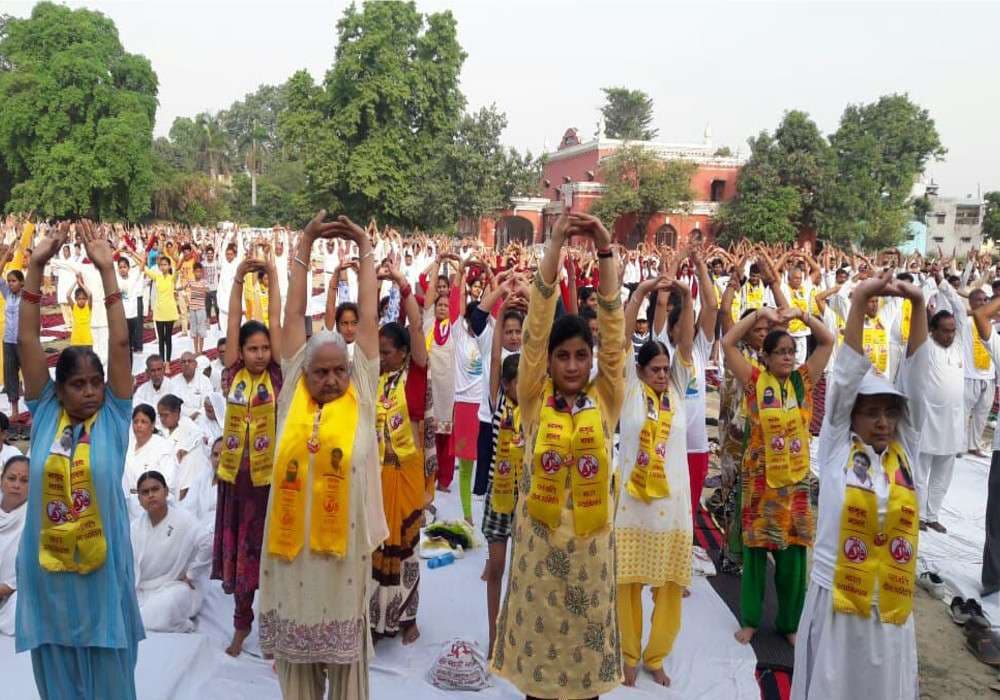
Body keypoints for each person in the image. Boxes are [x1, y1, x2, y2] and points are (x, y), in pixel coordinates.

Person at [492, 212, 626, 699]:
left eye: (580, 356)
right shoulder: (533, 398)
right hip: (538, 564)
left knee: (585, 689)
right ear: (548, 362)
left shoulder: (606, 399)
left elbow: (614, 333)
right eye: (562, 356)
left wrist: (605, 251)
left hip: (590, 564)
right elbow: (535, 328)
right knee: (538, 689)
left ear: (591, 361)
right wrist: (553, 246)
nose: (572, 365)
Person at [259, 211, 388, 700]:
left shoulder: (363, 393)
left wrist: (365, 250)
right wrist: (306, 241)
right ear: (304, 372)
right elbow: (293, 319)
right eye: (322, 372)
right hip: (292, 567)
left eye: (339, 370)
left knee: (348, 678)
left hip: (342, 567)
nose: (332, 379)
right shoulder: (293, 394)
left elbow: (371, 320)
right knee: (298, 679)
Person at [16, 220, 143, 699]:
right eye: (78, 384)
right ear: (59, 388)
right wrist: (34, 266)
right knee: (59, 681)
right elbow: (29, 343)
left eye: (95, 382)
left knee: (110, 681)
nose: (90, 391)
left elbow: (120, 344)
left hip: (101, 573)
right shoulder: (46, 412)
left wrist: (107, 272)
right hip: (48, 575)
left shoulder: (113, 415)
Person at [792, 270, 927, 699]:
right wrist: (857, 303)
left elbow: (918, 382)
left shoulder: (906, 457)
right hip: (838, 605)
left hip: (888, 605)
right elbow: (847, 376)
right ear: (852, 416)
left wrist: (919, 305)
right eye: (872, 412)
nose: (883, 422)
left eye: (890, 412)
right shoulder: (836, 449)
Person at [722, 301, 834, 646]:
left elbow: (828, 341)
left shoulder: (803, 382)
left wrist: (802, 316)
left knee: (793, 559)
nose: (787, 357)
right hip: (760, 484)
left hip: (795, 485)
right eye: (780, 352)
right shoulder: (755, 381)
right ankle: (751, 620)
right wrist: (759, 316)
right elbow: (727, 344)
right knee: (756, 555)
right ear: (765, 357)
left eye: (791, 351)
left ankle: (789, 623)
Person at [616, 273, 694, 688]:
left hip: (673, 508)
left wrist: (685, 293)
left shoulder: (679, 391)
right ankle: (628, 654)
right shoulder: (629, 389)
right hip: (633, 507)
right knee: (627, 583)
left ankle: (656, 656)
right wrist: (642, 293)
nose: (663, 374)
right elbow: (622, 341)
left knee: (669, 587)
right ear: (641, 370)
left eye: (666, 369)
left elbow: (686, 342)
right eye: (656, 369)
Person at [214, 255, 283, 657]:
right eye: (251, 348)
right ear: (240, 351)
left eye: (263, 348)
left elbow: (274, 319)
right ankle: (242, 624)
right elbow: (231, 320)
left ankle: (273, 630)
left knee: (270, 558)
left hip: (269, 483)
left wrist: (273, 277)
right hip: (236, 482)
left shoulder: (277, 375)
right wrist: (238, 279)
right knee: (242, 559)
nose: (258, 354)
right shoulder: (231, 374)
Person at [371, 260, 429, 644]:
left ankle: (406, 618)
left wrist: (402, 285)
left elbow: (418, 328)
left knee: (405, 547)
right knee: (376, 546)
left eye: (388, 351)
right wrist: (371, 284)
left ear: (405, 352)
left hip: (407, 474)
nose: (382, 356)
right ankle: (376, 620)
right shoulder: (371, 377)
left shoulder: (416, 375)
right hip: (375, 474)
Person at [130, 470, 210, 632]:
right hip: (142, 590)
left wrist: (191, 574)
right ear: (139, 500)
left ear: (166, 492)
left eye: (155, 489)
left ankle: (177, 623)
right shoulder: (135, 526)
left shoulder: (184, 519)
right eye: (145, 492)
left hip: (174, 588)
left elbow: (208, 544)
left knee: (169, 603)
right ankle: (152, 618)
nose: (151, 495)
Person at [913, 308, 964, 533]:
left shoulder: (959, 348)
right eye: (945, 331)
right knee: (921, 472)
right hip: (929, 421)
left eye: (953, 331)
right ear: (932, 330)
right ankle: (919, 515)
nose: (950, 335)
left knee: (943, 475)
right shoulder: (926, 349)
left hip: (953, 423)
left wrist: (944, 284)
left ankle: (933, 515)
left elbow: (961, 312)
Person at [123, 404, 178, 522]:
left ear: (152, 425)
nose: (139, 426)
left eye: (144, 422)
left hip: (152, 504)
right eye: (136, 421)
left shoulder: (163, 447)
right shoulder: (127, 445)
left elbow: (169, 482)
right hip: (128, 506)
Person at [156, 394, 209, 502]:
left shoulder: (189, 428)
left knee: (193, 456)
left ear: (176, 413)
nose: (162, 419)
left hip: (183, 483)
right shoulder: (161, 428)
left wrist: (186, 448)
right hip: (163, 477)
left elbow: (199, 435)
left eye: (165, 415)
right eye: (160, 415)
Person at [0, 455, 28, 636]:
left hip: (13, 595)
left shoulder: (35, 519)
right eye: (11, 478)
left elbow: (28, 572)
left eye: (24, 480)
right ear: (2, 480)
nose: (16, 485)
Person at [138, 251, 179, 362]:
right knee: (161, 339)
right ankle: (161, 360)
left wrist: (177, 259)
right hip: (159, 312)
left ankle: (168, 362)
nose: (163, 266)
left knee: (168, 338)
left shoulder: (172, 277)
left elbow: (179, 265)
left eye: (165, 264)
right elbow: (144, 267)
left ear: (169, 266)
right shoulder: (156, 276)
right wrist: (133, 254)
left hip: (170, 312)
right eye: (161, 265)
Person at [0, 250, 24, 419]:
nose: (10, 284)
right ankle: (14, 410)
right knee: (10, 376)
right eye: (8, 281)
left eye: (14, 281)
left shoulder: (28, 296)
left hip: (25, 342)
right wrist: (7, 254)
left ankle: (36, 407)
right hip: (8, 341)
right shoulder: (7, 294)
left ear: (22, 283)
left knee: (30, 375)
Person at [170, 352, 213, 422]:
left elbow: (207, 406)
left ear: (195, 364)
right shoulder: (173, 382)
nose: (186, 364)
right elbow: (170, 406)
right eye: (183, 362)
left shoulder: (205, 381)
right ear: (180, 365)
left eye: (189, 361)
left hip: (199, 420)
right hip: (179, 422)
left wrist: (193, 417)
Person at [67, 277, 94, 348]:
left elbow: (90, 294)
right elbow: (68, 295)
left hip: (87, 339)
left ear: (86, 299)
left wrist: (81, 284)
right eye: (79, 299)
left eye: (84, 298)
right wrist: (76, 282)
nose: (81, 300)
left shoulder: (88, 307)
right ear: (75, 299)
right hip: (76, 340)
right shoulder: (74, 307)